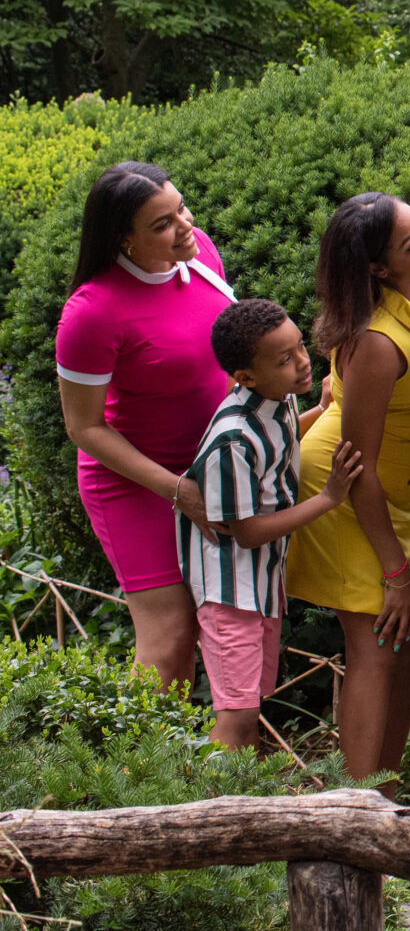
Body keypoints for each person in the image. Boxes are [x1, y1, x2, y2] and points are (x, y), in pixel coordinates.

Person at [56, 162, 267, 690]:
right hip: (135, 485)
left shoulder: (202, 257)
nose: (184, 226)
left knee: (232, 627)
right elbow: (83, 428)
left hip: (212, 470)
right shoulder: (92, 312)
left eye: (181, 208)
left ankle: (217, 760)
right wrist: (178, 490)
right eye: (162, 224)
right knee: (170, 639)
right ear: (122, 239)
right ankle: (141, 770)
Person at [289, 193, 410, 785]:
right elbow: (351, 463)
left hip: (401, 490)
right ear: (380, 268)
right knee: (379, 641)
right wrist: (393, 570)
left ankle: (383, 793)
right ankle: (361, 816)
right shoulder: (378, 343)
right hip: (348, 492)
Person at [179, 299, 362, 748]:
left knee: (251, 704)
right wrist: (328, 498)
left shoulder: (276, 399)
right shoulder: (231, 440)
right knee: (237, 715)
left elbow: (276, 448)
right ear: (246, 377)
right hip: (230, 594)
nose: (302, 363)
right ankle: (213, 813)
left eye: (300, 347)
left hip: (260, 587)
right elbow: (246, 531)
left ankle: (244, 802)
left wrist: (318, 411)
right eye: (285, 359)